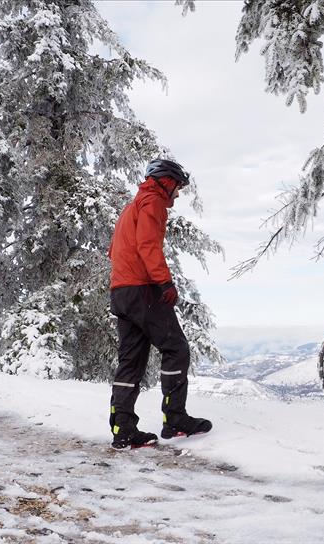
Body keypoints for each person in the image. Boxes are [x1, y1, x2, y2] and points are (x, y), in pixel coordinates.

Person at [107, 158, 212, 449]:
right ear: (166, 182)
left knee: (131, 361)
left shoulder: (131, 207)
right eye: (178, 187)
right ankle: (175, 419)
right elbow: (147, 245)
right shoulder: (152, 202)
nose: (178, 193)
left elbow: (113, 251)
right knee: (176, 349)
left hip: (121, 292)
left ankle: (123, 429)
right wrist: (164, 282)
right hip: (142, 290)